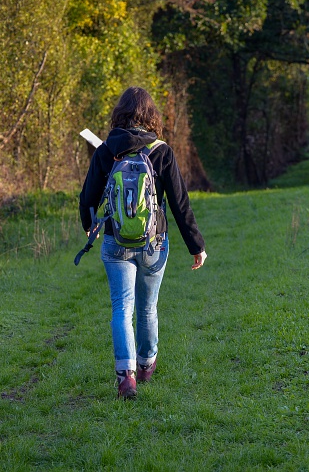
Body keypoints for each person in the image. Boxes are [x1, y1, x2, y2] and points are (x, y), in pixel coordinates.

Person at [79, 86, 207, 399]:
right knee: (148, 308)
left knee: (122, 309)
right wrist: (196, 246)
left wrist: (89, 226)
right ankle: (147, 364)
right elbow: (179, 203)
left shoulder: (107, 150)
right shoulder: (162, 150)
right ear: (151, 116)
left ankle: (126, 378)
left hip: (115, 241)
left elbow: (87, 197)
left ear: (119, 114)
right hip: (154, 243)